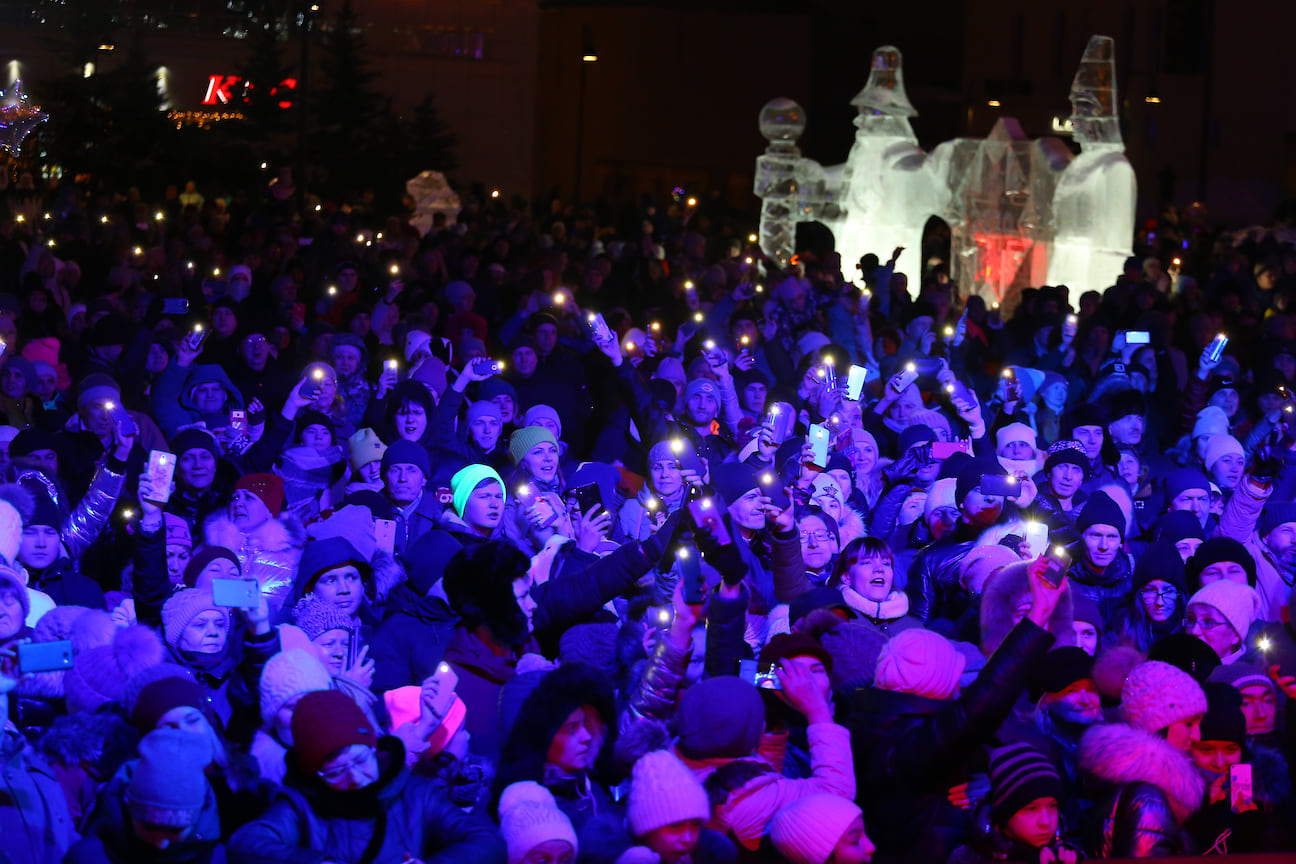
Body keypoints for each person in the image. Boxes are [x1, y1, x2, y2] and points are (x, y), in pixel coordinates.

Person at [228, 690, 507, 863]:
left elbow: (487, 841)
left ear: (375, 750)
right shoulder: (301, 805)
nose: (356, 778)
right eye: (336, 771)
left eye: (362, 760)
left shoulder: (416, 794)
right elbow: (244, 844)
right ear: (314, 772)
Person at [1077, 661, 1207, 857]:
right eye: (1188, 724)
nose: (1197, 736)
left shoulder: (1141, 786)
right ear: (1156, 725)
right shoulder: (1148, 799)